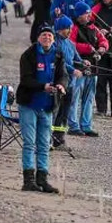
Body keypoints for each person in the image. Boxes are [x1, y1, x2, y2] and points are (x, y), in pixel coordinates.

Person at [17, 25, 68, 194]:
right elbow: (25, 80)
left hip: (47, 105)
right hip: (29, 104)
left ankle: (42, 179)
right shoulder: (29, 55)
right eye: (44, 35)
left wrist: (61, 85)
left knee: (44, 144)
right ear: (38, 38)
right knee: (30, 143)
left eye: (49, 35)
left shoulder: (58, 54)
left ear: (53, 38)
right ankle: (28, 180)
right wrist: (43, 86)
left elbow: (63, 75)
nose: (47, 38)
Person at [67, 4, 106, 138]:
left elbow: (104, 40)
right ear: (78, 15)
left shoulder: (94, 28)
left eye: (89, 13)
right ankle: (73, 125)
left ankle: (86, 125)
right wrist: (87, 48)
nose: (89, 16)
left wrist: (102, 48)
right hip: (78, 67)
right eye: (86, 13)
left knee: (89, 99)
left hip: (93, 67)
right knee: (75, 97)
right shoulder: (73, 28)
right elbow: (70, 45)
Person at [50, 16, 79, 149]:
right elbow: (62, 64)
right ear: (61, 28)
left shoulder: (70, 44)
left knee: (64, 114)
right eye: (68, 28)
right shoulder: (55, 43)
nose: (70, 31)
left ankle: (60, 139)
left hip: (71, 85)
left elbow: (77, 59)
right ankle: (50, 138)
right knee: (56, 112)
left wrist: (84, 63)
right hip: (60, 83)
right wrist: (73, 70)